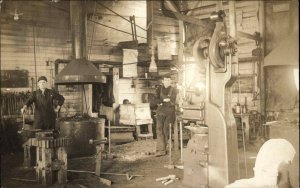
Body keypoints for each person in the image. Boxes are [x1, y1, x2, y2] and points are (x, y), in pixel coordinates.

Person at [154, 76, 177, 156]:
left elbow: (172, 101)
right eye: (165, 80)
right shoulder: (158, 89)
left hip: (170, 112)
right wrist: (163, 100)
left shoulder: (174, 90)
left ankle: (166, 147)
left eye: (168, 80)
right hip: (160, 111)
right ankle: (161, 150)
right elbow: (154, 100)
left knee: (165, 129)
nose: (167, 81)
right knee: (159, 130)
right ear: (163, 81)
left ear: (170, 81)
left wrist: (161, 102)